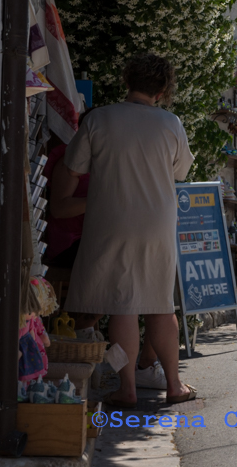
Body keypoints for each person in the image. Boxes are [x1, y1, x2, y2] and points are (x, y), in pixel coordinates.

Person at [55, 53, 196, 406]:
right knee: (160, 304)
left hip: (112, 221)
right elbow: (180, 172)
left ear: (127, 81)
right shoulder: (171, 124)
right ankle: (175, 386)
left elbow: (73, 167)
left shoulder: (100, 118)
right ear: (162, 91)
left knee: (123, 306)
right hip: (158, 223)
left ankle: (127, 387)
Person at [48, 135, 168, 391]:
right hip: (72, 242)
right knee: (122, 286)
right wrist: (99, 201)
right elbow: (58, 208)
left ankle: (144, 365)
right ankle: (98, 353)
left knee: (154, 280)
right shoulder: (70, 159)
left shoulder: (117, 161)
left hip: (109, 238)